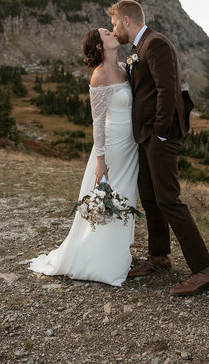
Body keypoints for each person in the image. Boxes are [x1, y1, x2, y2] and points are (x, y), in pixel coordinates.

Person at [107, 0, 209, 296]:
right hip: (146, 136)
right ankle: (159, 257)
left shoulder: (155, 44)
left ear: (127, 21)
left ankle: (204, 270)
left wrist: (158, 134)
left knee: (169, 199)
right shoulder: (139, 49)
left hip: (160, 137)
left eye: (115, 23)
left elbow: (167, 91)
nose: (113, 29)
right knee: (151, 197)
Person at [27, 27, 139, 286]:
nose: (113, 32)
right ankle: (100, 262)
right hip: (112, 147)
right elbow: (97, 122)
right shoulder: (99, 76)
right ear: (99, 46)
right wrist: (100, 159)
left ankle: (118, 253)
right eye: (106, 33)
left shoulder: (124, 67)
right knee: (112, 198)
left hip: (130, 146)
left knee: (126, 197)